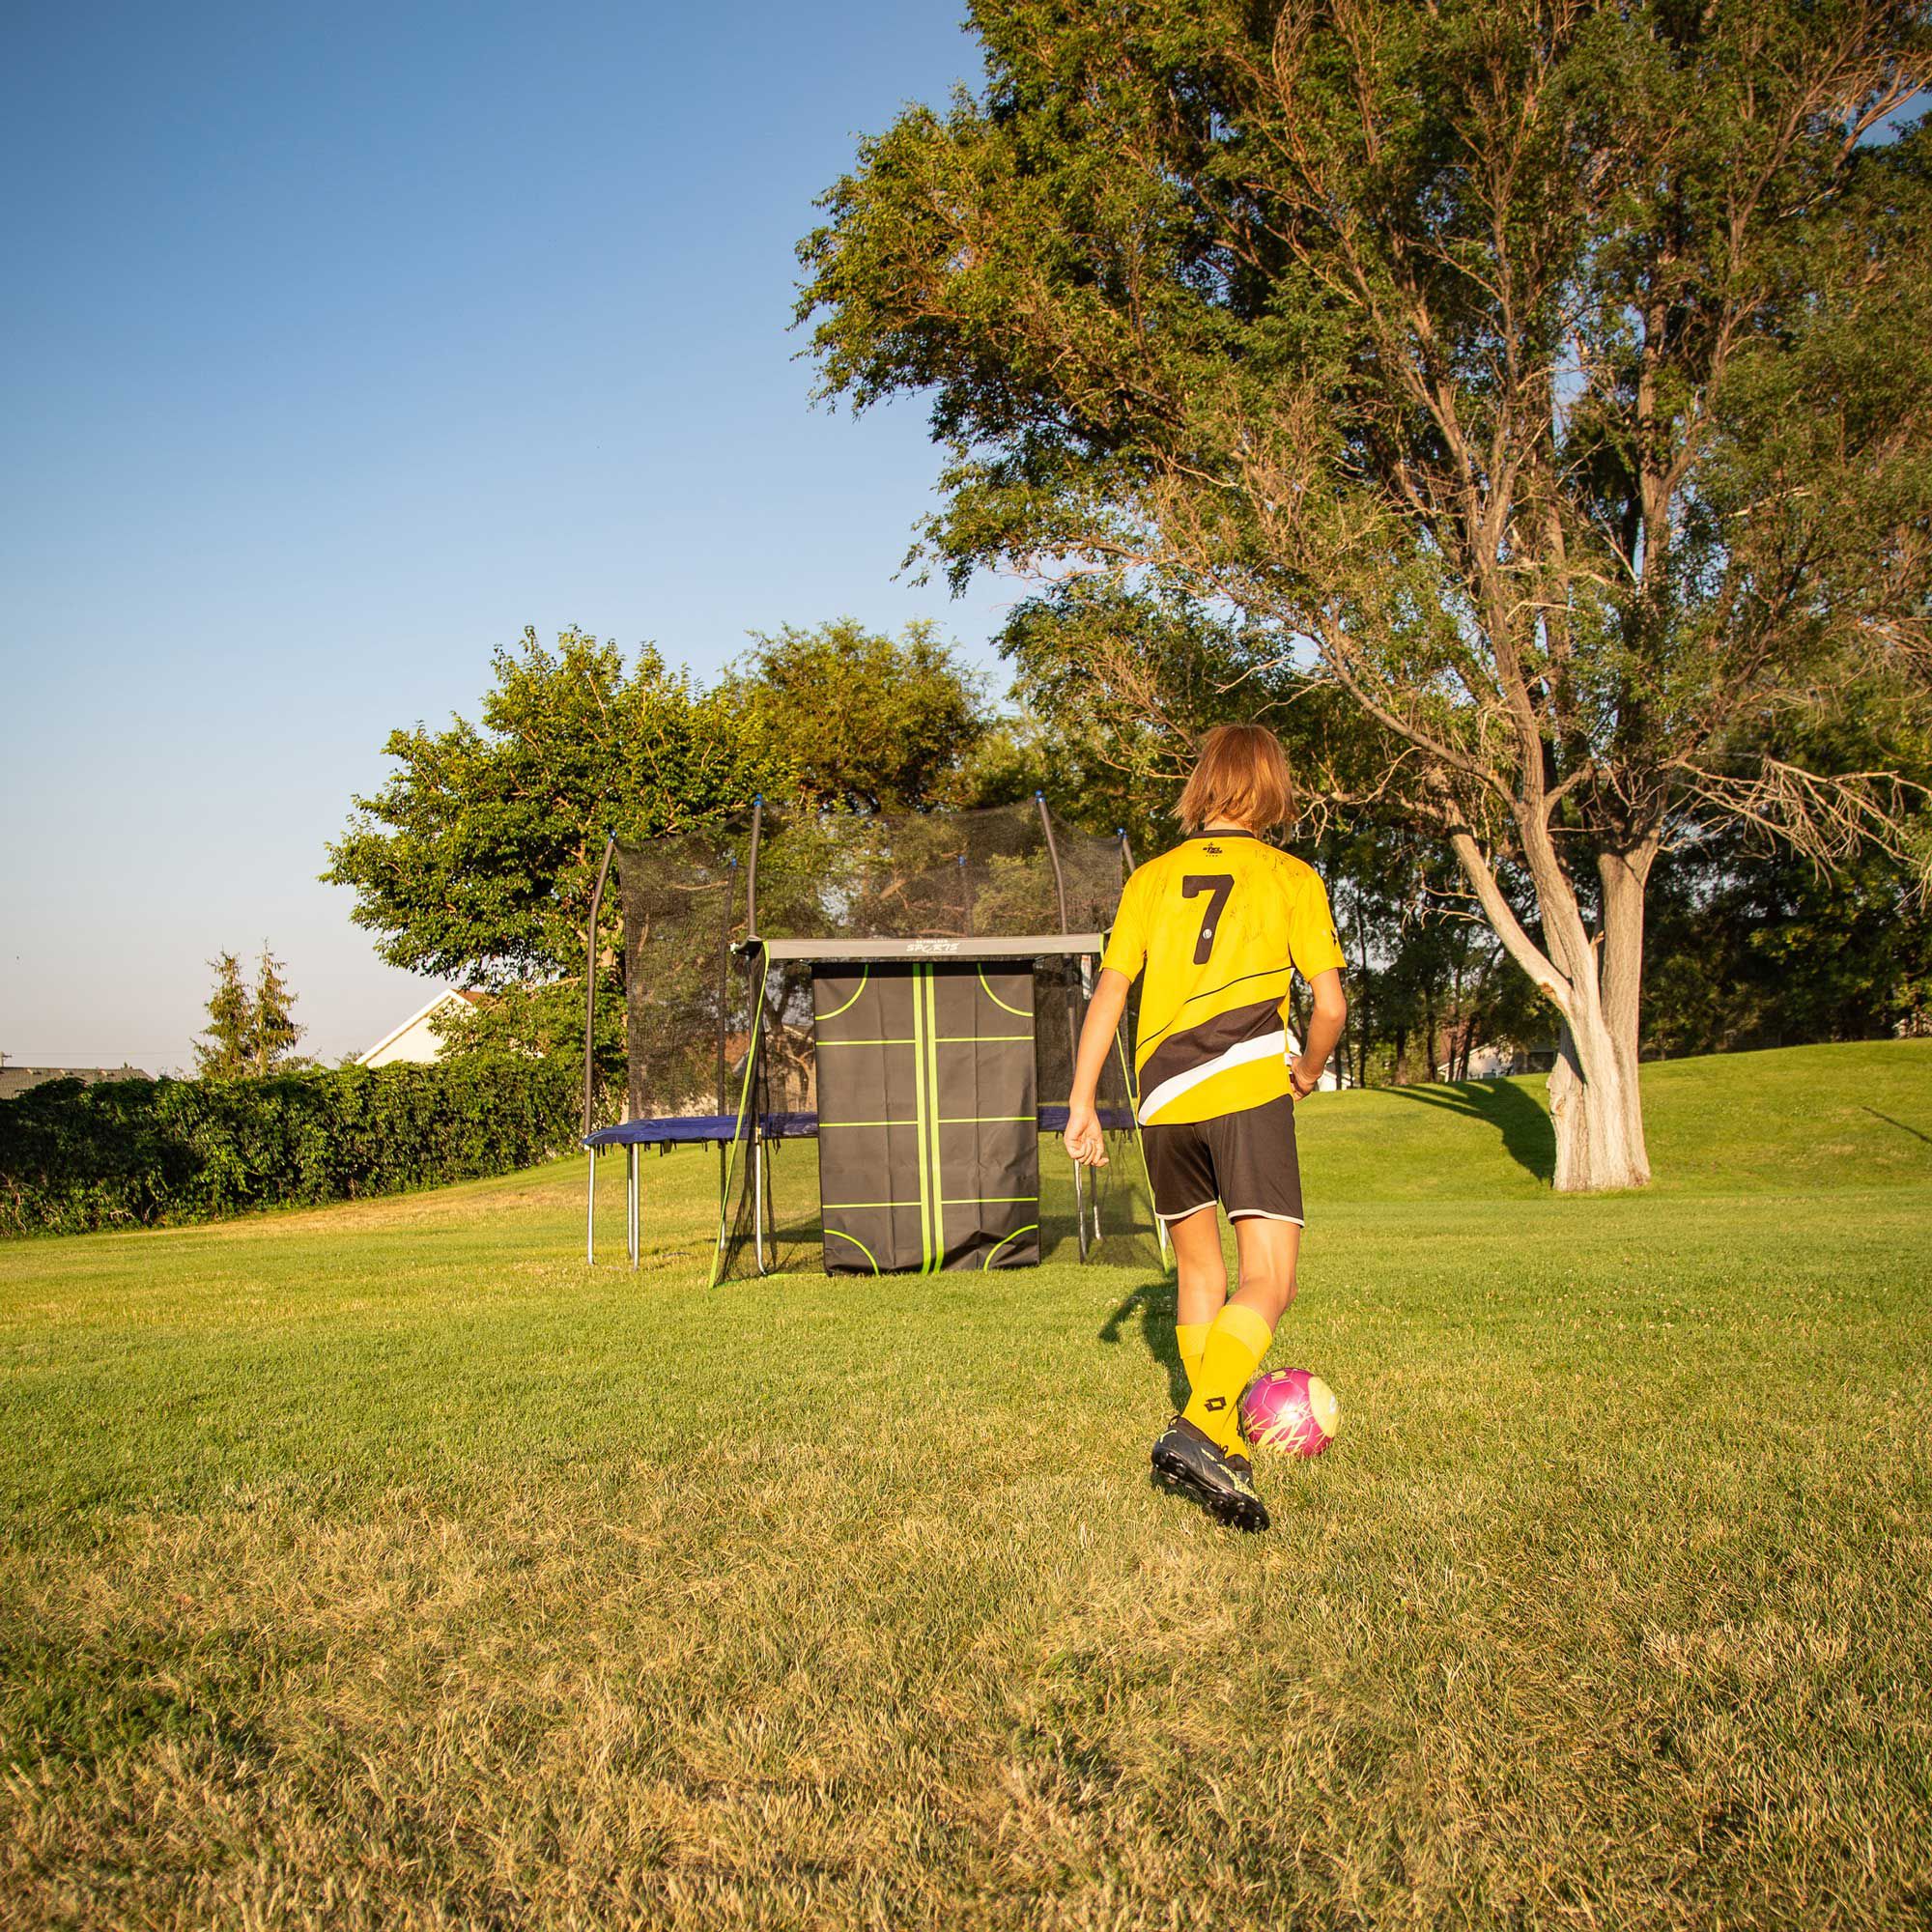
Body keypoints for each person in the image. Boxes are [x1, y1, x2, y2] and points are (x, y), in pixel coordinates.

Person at [1063, 724, 1348, 1532]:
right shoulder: (1291, 876)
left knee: (1199, 1275)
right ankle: (1200, 1426)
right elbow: (1329, 1005)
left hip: (1160, 1099)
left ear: (1204, 784)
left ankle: (1220, 1441)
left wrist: (1084, 1100)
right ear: (1271, 787)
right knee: (1270, 1278)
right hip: (1245, 1085)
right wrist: (1307, 1070)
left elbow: (1111, 994)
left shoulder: (1149, 879)